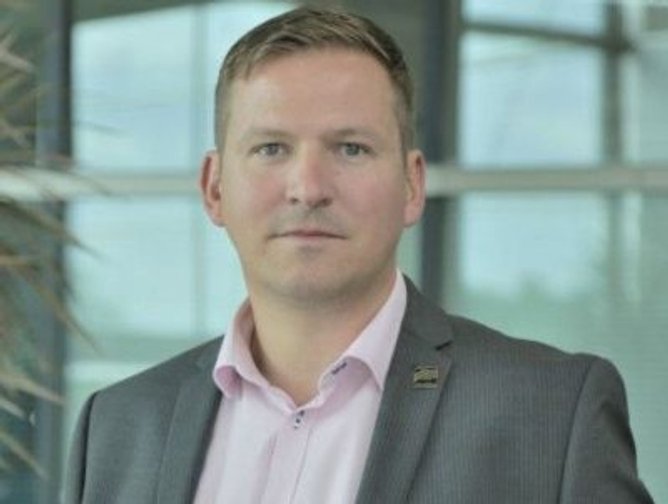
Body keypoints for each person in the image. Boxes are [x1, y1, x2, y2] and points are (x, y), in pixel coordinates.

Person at [64, 7, 654, 504]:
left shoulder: (552, 415)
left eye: (350, 148)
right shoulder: (117, 428)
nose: (308, 187)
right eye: (271, 148)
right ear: (214, 188)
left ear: (412, 185)